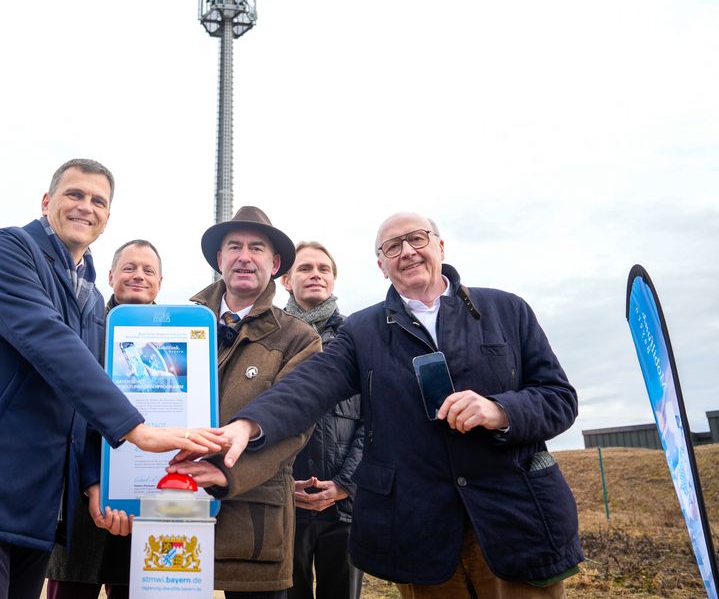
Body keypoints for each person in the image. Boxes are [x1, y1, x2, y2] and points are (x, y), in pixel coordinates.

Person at [202, 212, 584, 598]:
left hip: (514, 524)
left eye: (417, 239)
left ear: (440, 246)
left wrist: (500, 411)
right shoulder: (362, 331)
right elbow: (308, 385)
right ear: (381, 266)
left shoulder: (506, 310)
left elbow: (559, 398)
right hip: (421, 532)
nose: (407, 252)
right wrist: (249, 424)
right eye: (392, 247)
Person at [0, 160, 221, 599]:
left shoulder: (90, 297)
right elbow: (47, 340)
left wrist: (94, 479)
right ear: (47, 201)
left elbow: (79, 399)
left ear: (107, 217)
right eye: (75, 194)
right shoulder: (7, 249)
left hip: (38, 503)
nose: (86, 206)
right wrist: (137, 429)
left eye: (98, 201)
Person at [169, 206, 323, 598]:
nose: (244, 256)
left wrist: (228, 473)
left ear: (275, 264)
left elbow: (295, 427)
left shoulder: (299, 338)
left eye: (257, 248)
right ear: (219, 258)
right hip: (174, 505)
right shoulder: (177, 324)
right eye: (234, 246)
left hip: (253, 523)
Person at [46, 239, 165, 599]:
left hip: (149, 498)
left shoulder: (175, 338)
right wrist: (93, 480)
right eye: (129, 268)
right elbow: (66, 410)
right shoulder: (81, 325)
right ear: (111, 276)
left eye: (148, 270)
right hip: (83, 501)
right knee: (72, 586)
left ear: (160, 282)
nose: (138, 275)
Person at [280, 242, 363, 599]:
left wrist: (346, 484)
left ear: (333, 279)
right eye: (305, 268)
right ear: (286, 280)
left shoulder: (358, 337)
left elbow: (377, 420)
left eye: (323, 268)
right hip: (286, 506)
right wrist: (283, 485)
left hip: (344, 508)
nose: (315, 274)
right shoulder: (271, 336)